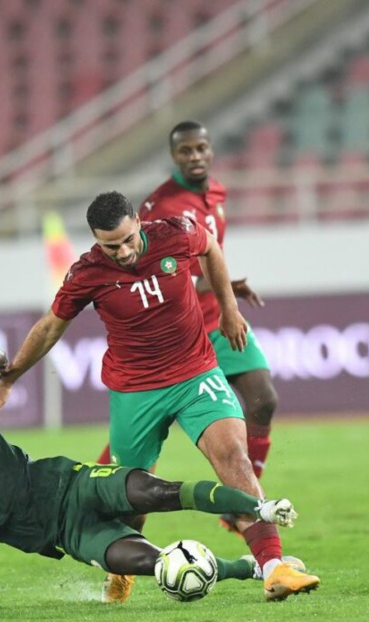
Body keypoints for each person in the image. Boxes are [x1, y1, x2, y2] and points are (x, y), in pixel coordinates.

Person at [0, 192, 320, 604]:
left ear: (138, 222)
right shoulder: (87, 273)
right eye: (109, 246)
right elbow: (50, 327)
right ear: (96, 241)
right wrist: (9, 379)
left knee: (233, 457)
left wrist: (228, 309)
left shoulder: (176, 234)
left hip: (196, 374)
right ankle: (121, 570)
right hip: (135, 391)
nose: (122, 252)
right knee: (131, 499)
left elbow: (210, 248)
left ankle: (274, 567)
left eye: (127, 240)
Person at [0, 349, 310, 616]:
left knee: (158, 493)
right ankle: (249, 569)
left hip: (78, 483)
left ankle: (261, 509)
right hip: (73, 534)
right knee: (159, 566)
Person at [96, 121, 279, 534]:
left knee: (263, 399)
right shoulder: (161, 208)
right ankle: (101, 491)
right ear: (173, 155)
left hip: (217, 317)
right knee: (139, 439)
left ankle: (244, 500)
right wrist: (220, 286)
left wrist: (227, 292)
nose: (195, 156)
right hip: (178, 331)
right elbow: (159, 275)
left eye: (201, 148)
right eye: (185, 151)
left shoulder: (216, 193)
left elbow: (210, 256)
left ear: (210, 150)